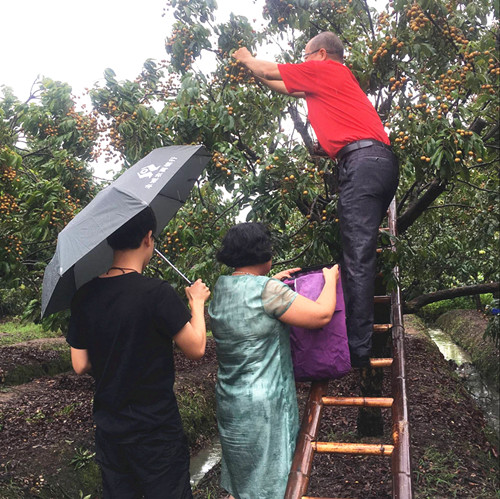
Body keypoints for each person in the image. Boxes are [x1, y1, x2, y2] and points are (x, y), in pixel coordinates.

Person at [233, 32, 399, 368]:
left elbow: (269, 71)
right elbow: (278, 84)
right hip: (374, 164)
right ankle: (359, 340)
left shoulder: (328, 70)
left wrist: (246, 58)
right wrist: (254, 71)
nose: (302, 61)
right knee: (358, 252)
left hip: (364, 163)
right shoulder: (325, 81)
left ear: (321, 54)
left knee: (357, 257)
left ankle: (358, 348)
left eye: (305, 55)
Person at [67, 206, 210, 499]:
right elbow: (196, 348)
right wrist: (197, 302)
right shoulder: (156, 293)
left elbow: (80, 364)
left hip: (110, 430)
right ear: (148, 238)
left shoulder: (84, 296)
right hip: (156, 430)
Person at [208, 222, 339, 499]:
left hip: (230, 399)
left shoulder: (221, 287)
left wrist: (271, 284)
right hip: (265, 404)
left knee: (245, 476)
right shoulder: (268, 291)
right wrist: (330, 281)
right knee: (271, 481)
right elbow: (321, 316)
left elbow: (251, 301)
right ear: (262, 254)